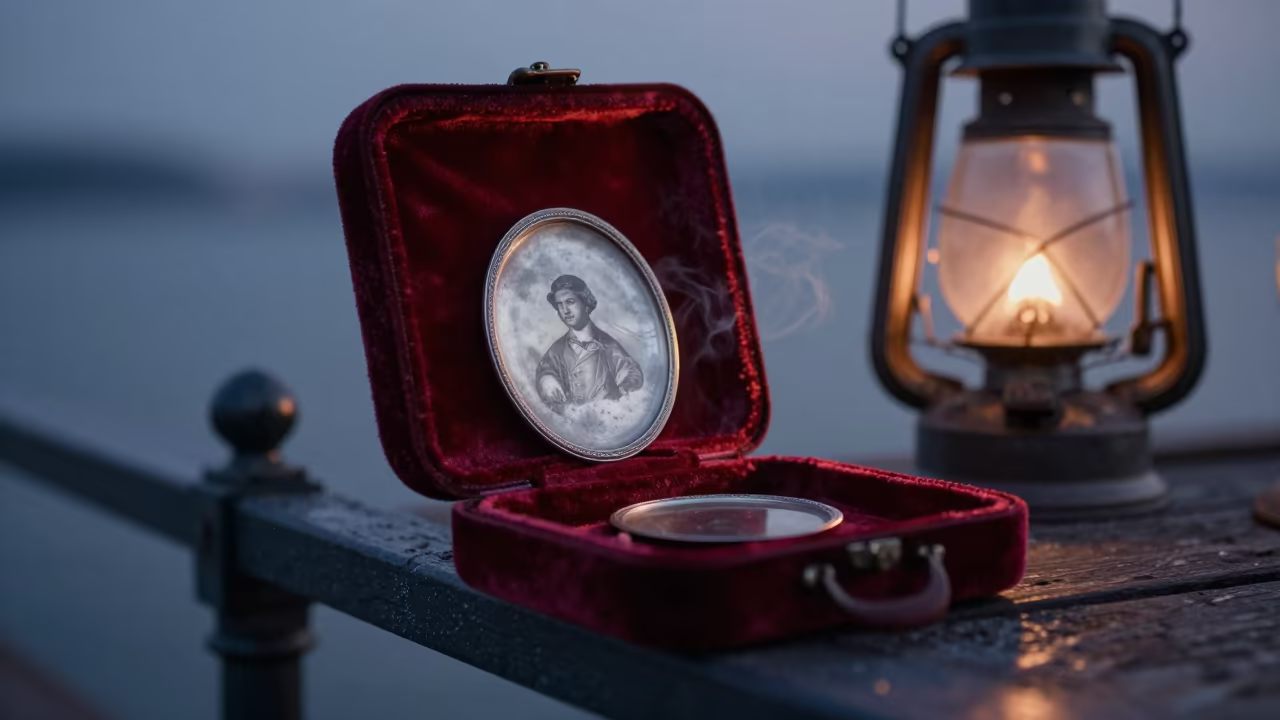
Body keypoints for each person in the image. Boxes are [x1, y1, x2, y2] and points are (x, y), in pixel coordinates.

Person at [536, 274, 643, 409]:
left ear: (585, 303)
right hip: (570, 418)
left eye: (570, 302)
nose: (565, 310)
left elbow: (632, 373)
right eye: (560, 305)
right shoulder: (557, 349)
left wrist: (618, 396)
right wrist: (546, 381)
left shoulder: (607, 345)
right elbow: (545, 370)